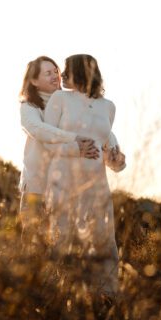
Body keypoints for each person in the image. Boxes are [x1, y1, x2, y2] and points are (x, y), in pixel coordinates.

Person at [43, 54, 126, 295]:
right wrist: (75, 149)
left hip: (97, 186)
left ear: (80, 72)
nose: (62, 76)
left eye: (67, 70)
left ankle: (106, 300)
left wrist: (117, 159)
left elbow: (113, 155)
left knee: (103, 244)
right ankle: (55, 298)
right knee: (62, 242)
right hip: (63, 183)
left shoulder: (108, 106)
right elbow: (46, 141)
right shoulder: (60, 98)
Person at [19, 56, 99, 243]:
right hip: (36, 188)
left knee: (64, 244)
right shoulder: (29, 107)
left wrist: (112, 147)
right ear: (33, 81)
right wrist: (74, 140)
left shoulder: (70, 103)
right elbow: (38, 129)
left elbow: (95, 126)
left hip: (66, 187)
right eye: (48, 73)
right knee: (33, 243)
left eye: (56, 71)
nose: (56, 76)